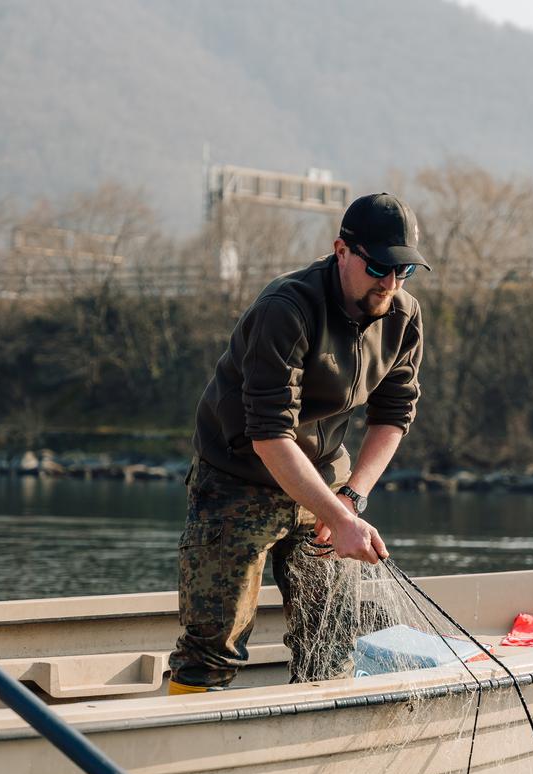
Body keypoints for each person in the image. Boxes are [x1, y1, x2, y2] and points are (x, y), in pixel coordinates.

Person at [168, 193, 428, 694]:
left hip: (327, 478)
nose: (390, 284)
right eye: (379, 267)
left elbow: (394, 415)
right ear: (342, 251)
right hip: (238, 479)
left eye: (404, 272)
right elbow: (270, 436)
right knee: (212, 646)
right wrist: (340, 519)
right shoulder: (285, 309)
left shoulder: (405, 317)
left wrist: (350, 500)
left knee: (329, 641)